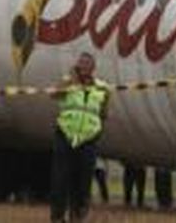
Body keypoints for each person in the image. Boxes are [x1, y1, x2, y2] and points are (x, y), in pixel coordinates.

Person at [49, 52, 110, 223]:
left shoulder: (102, 87)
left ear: (93, 67)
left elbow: (104, 112)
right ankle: (57, 217)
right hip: (65, 135)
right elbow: (53, 94)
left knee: (83, 181)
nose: (83, 66)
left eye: (87, 64)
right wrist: (70, 80)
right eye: (81, 63)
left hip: (88, 139)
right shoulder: (68, 83)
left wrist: (96, 130)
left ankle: (77, 215)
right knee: (60, 178)